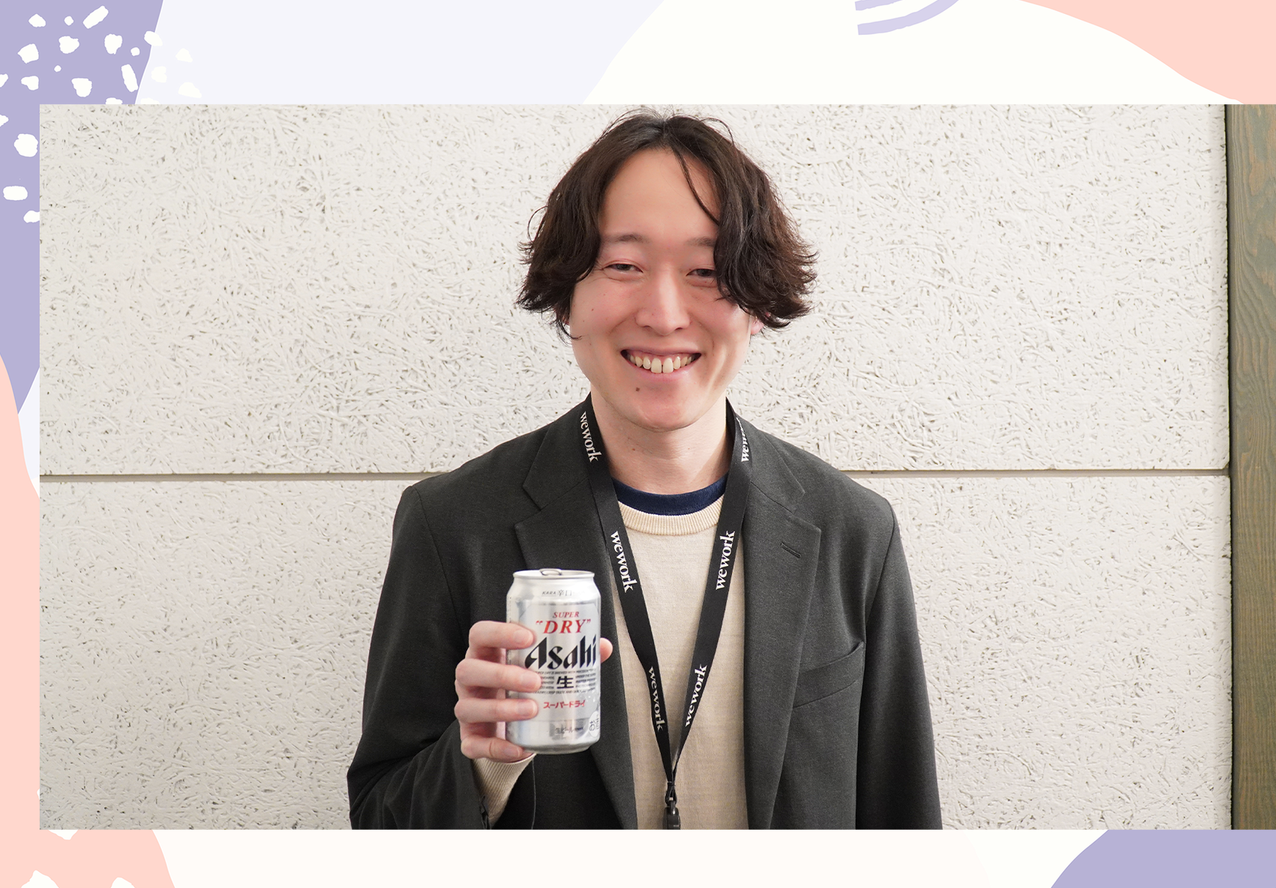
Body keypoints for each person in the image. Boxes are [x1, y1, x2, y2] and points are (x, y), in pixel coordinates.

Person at [347, 110, 941, 829]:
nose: (663, 314)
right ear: (566, 294)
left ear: (756, 302)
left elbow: (905, 824)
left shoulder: (852, 531)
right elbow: (379, 823)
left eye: (707, 271)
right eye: (623, 266)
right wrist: (482, 760)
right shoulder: (453, 526)